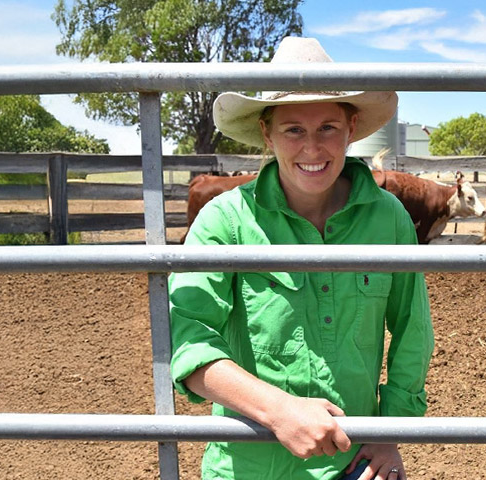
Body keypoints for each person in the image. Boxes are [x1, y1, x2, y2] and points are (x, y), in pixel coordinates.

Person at [169, 36, 434, 480]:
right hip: (249, 467)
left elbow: (412, 329)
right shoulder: (226, 220)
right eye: (294, 129)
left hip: (354, 462)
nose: (312, 148)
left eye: (327, 127)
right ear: (267, 133)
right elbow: (189, 340)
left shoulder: (388, 218)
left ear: (351, 129)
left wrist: (389, 432)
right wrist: (278, 410)